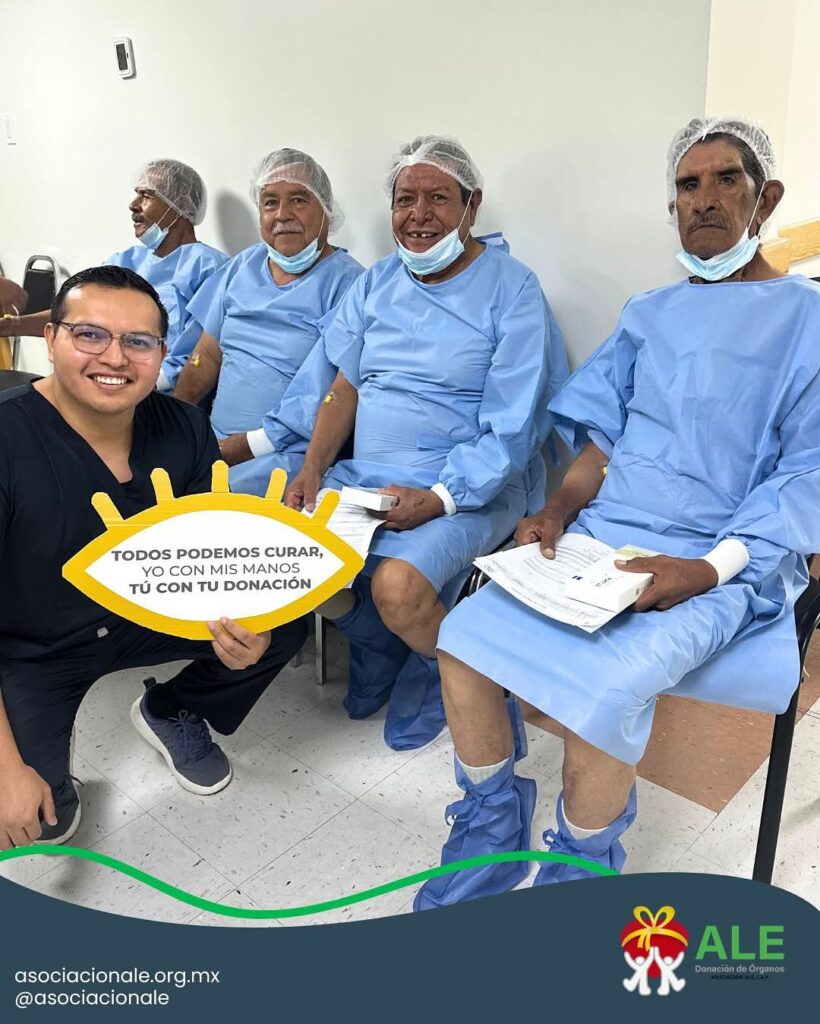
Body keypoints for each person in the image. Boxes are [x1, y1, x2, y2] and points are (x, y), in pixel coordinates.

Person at [414, 116, 820, 911]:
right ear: (672, 207)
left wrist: (705, 569)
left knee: (600, 692)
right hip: (603, 540)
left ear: (766, 197)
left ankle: (583, 860)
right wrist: (559, 512)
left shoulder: (807, 322)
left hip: (719, 558)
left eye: (727, 180)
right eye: (687, 185)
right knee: (460, 639)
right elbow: (602, 440)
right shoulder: (649, 313)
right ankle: (492, 816)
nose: (704, 199)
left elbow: (806, 475)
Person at [0, 266, 306, 851]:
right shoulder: (9, 439)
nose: (115, 358)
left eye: (138, 341)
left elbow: (206, 554)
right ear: (51, 339)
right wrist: (7, 768)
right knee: (39, 823)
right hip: (35, 645)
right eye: (90, 334)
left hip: (147, 613)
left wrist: (244, 625)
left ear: (162, 353)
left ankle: (170, 707)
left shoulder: (184, 427)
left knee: (281, 622)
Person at [285, 135, 568, 750]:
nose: (418, 215)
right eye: (404, 199)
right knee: (295, 558)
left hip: (470, 485)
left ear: (472, 205)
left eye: (438, 198)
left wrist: (439, 497)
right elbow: (343, 387)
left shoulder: (513, 289)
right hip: (366, 479)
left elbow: (513, 426)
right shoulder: (376, 283)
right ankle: (378, 645)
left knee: (397, 587)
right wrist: (313, 467)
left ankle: (440, 667)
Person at [172, 149, 362, 487]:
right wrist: (174, 423)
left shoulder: (349, 283)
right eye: (270, 202)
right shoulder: (241, 267)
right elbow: (207, 355)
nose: (282, 214)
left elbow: (332, 389)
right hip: (214, 444)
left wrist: (242, 447)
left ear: (326, 211)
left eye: (298, 200)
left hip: (285, 455)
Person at [1, 160, 227, 392]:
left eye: (146, 196)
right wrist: (11, 326)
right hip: (101, 380)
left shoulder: (209, 268)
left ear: (181, 205)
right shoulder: (126, 260)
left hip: (157, 392)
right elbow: (74, 315)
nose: (133, 205)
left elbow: (200, 353)